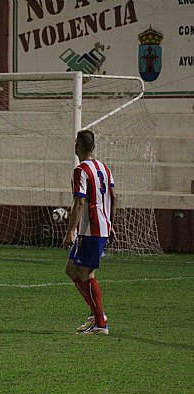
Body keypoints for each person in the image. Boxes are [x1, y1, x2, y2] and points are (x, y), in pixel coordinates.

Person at [63, 129, 117, 335]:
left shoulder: (81, 170)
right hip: (99, 228)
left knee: (86, 274)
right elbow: (114, 196)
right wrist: (111, 224)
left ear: (79, 146)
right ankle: (97, 314)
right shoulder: (104, 168)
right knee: (71, 269)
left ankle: (100, 323)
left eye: (76, 143)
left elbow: (79, 203)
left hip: (90, 230)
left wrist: (70, 232)